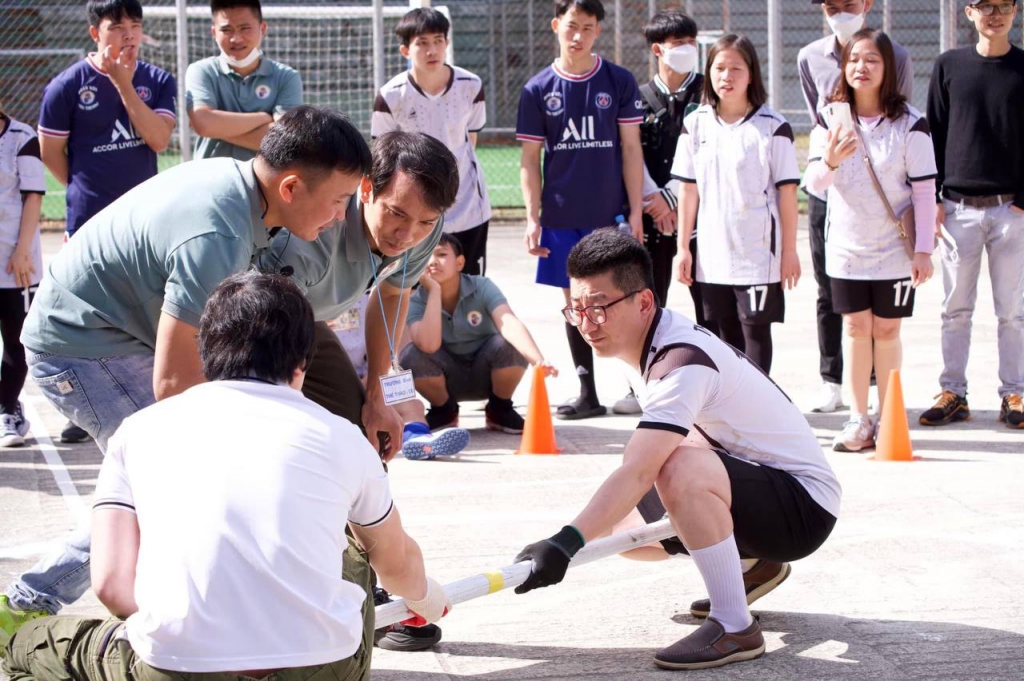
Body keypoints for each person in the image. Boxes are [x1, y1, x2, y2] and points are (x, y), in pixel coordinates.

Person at [0, 106, 371, 646]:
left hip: (120, 331)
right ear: (291, 186)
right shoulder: (216, 233)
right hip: (80, 345)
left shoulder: (247, 191)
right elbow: (174, 387)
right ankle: (29, 600)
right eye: (339, 200)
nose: (341, 218)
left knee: (187, 475)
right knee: (169, 477)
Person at [1, 271, 450, 679]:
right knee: (354, 543)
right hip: (321, 665)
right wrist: (428, 600)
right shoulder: (341, 436)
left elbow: (112, 585)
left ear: (205, 349)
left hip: (177, 667)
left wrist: (191, 633)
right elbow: (397, 566)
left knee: (25, 645)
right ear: (302, 363)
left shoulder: (138, 433)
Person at [512, 229, 840, 671]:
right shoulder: (645, 347)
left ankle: (734, 625)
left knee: (677, 470)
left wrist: (564, 542)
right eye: (577, 309)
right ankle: (754, 566)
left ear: (643, 302)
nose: (586, 323)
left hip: (803, 509)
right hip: (754, 483)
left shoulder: (680, 361)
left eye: (599, 308)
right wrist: (583, 535)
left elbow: (639, 469)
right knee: (616, 536)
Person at [264, 129, 460, 652]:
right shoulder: (314, 228)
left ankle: (367, 580)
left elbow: (389, 297)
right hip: (252, 323)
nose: (408, 233)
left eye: (423, 222)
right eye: (397, 213)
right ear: (366, 190)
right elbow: (266, 324)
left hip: (308, 321)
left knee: (366, 437)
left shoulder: (423, 225)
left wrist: (379, 393)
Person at [37, 0, 177, 443]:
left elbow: (157, 137)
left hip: (144, 230)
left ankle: (158, 394)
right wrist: (83, 188)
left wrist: (123, 85)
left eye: (135, 26)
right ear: (96, 33)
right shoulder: (66, 86)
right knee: (88, 316)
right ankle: (85, 406)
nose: (129, 35)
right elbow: (52, 154)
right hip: (86, 225)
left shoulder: (157, 81)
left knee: (149, 313)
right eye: (118, 27)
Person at [805, 28, 936, 451]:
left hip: (894, 248)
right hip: (846, 247)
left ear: (889, 69)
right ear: (844, 67)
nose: (862, 67)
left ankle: (889, 416)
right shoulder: (830, 119)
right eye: (854, 59)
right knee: (857, 328)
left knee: (888, 329)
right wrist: (830, 160)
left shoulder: (911, 123)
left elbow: (923, 191)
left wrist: (923, 250)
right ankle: (857, 419)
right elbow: (814, 184)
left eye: (872, 60)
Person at [516, 0, 644, 420]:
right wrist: (533, 216)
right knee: (579, 307)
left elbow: (630, 149)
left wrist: (637, 212)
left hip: (610, 214)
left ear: (597, 32)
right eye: (571, 26)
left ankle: (641, 386)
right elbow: (529, 161)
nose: (578, 35)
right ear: (556, 26)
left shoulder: (619, 81)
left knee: (626, 301)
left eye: (587, 27)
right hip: (562, 216)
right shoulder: (537, 89)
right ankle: (586, 389)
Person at [798, 0, 914, 414]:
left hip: (880, 198)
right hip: (832, 191)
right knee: (830, 291)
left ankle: (875, 389)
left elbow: (899, 115)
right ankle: (834, 379)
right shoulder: (808, 55)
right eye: (831, 6)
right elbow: (817, 119)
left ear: (866, 5)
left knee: (883, 322)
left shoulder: (897, 53)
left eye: (847, 4)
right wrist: (828, 162)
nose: (839, 12)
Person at [920, 0, 1024, 430]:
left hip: (1011, 210)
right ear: (968, 13)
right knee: (955, 309)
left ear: (1016, 11)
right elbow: (934, 132)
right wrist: (936, 199)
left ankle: (1015, 393)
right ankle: (954, 393)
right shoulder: (949, 66)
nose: (994, 14)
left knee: (1013, 311)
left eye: (1003, 5)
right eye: (985, 6)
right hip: (959, 207)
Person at [672, 34, 801, 374]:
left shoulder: (773, 127)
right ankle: (733, 412)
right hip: (712, 254)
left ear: (751, 75)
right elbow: (688, 191)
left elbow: (787, 194)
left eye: (736, 68)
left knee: (755, 331)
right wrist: (683, 248)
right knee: (723, 335)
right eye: (719, 68)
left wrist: (789, 250)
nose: (726, 76)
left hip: (758, 253)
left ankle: (760, 412)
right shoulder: (694, 123)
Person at [613, 9, 709, 417]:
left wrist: (674, 197)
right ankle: (642, 384)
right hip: (650, 218)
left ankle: (716, 384)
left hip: (700, 214)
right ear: (657, 50)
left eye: (691, 43)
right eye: (677, 45)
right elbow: (630, 151)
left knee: (709, 303)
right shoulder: (636, 96)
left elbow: (708, 153)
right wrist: (654, 201)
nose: (687, 51)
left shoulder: (710, 91)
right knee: (647, 303)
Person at [400, 233, 557, 440]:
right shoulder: (416, 300)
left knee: (509, 344)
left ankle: (500, 409)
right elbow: (428, 346)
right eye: (425, 255)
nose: (432, 261)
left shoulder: (482, 286)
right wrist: (434, 292)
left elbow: (508, 321)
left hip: (486, 371)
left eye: (441, 254)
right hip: (446, 377)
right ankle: (443, 410)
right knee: (411, 355)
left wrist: (537, 360)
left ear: (460, 262)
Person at [372, 7, 492, 276]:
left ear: (447, 44)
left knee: (468, 285)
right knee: (411, 288)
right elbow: (383, 156)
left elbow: (470, 140)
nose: (432, 50)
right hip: (414, 210)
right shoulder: (390, 95)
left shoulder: (471, 85)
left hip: (467, 204)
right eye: (422, 43)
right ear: (405, 50)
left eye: (438, 41)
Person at [186, 0, 303, 161]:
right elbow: (204, 124)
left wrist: (214, 128)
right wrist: (263, 118)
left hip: (264, 183)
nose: (236, 38)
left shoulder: (287, 76)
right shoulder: (201, 70)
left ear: (263, 28)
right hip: (211, 179)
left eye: (245, 28)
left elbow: (285, 140)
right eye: (226, 29)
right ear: (214, 33)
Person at [0, 104, 45, 448]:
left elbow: (33, 197)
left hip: (14, 261)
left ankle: (7, 411)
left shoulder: (21, 137)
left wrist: (21, 251)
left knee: (17, 341)